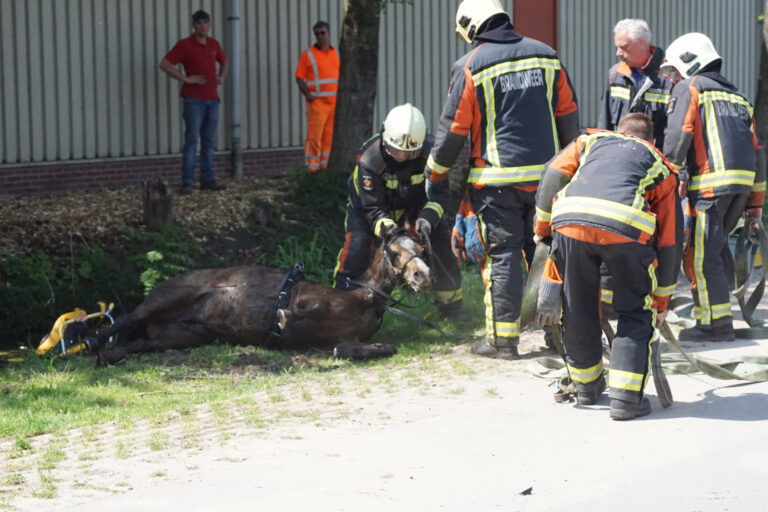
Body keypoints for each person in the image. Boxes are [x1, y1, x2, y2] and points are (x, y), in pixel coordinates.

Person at [425, 0, 579, 359]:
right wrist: (570, 166)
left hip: (496, 183)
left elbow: (452, 132)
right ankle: (557, 334)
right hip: (547, 180)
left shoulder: (470, 65)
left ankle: (504, 342)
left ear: (471, 25)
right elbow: (568, 114)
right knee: (548, 252)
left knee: (504, 257)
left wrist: (435, 176)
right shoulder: (546, 56)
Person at [534, 113, 681, 420]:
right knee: (635, 311)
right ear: (651, 141)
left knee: (577, 306)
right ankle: (626, 402)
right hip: (626, 227)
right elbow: (669, 241)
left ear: (618, 132)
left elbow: (552, 173)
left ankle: (586, 389)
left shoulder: (590, 140)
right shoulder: (662, 166)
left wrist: (544, 226)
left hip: (571, 220)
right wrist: (661, 302)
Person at [662, 32, 766, 341]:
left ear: (689, 62)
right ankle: (718, 317)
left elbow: (678, 136)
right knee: (716, 251)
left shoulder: (690, 89)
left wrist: (667, 180)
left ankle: (713, 325)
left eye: (676, 71)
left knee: (700, 255)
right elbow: (758, 153)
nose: (674, 77)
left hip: (710, 190)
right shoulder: (739, 98)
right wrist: (756, 202)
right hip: (740, 190)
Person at [333, 103, 463, 316]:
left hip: (417, 206)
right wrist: (391, 231)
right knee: (356, 250)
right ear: (385, 139)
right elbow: (372, 208)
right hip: (369, 208)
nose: (402, 156)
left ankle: (451, 309)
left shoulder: (433, 155)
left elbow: (439, 195)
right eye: (395, 150)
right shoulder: (369, 159)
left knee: (442, 246)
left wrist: (428, 219)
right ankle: (341, 306)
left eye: (409, 153)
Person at [159, 9, 228, 195]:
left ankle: (207, 180)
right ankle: (187, 183)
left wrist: (221, 76)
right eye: (198, 23)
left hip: (212, 100)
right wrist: (185, 78)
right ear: (193, 25)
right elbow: (165, 64)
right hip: (193, 101)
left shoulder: (214, 44)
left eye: (205, 22)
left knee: (208, 142)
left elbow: (224, 61)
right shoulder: (185, 45)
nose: (202, 26)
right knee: (191, 142)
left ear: (210, 24)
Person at [597, 19, 674, 150]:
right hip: (621, 154)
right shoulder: (615, 75)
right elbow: (604, 123)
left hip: (657, 159)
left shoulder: (669, 77)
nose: (618, 53)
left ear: (641, 43)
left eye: (624, 47)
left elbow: (676, 129)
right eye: (617, 47)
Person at [295, 21, 340, 173]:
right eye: (317, 34)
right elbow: (299, 77)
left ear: (329, 33)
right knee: (315, 137)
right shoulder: (308, 55)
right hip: (317, 103)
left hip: (333, 103)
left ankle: (324, 169)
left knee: (329, 137)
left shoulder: (336, 53)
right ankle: (312, 169)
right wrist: (308, 95)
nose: (320, 36)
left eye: (323, 33)